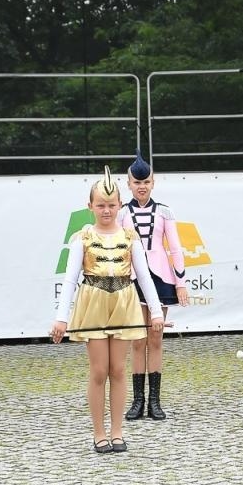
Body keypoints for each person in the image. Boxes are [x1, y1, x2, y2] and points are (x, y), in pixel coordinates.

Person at [51, 168, 165, 454]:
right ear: (90, 206)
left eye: (111, 205)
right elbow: (69, 278)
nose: (106, 210)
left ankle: (117, 430)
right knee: (99, 370)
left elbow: (144, 276)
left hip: (124, 301)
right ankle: (98, 432)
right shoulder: (83, 237)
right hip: (94, 301)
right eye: (100, 205)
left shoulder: (129, 236)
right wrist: (61, 318)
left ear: (119, 206)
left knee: (118, 369)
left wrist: (156, 312)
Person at [120, 150, 188, 422]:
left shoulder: (165, 212)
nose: (141, 187)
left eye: (146, 182)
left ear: (153, 182)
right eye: (137, 183)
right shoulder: (122, 213)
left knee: (156, 338)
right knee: (138, 341)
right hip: (133, 278)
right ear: (128, 184)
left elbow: (176, 248)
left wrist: (181, 283)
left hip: (161, 278)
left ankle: (155, 402)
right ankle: (137, 401)